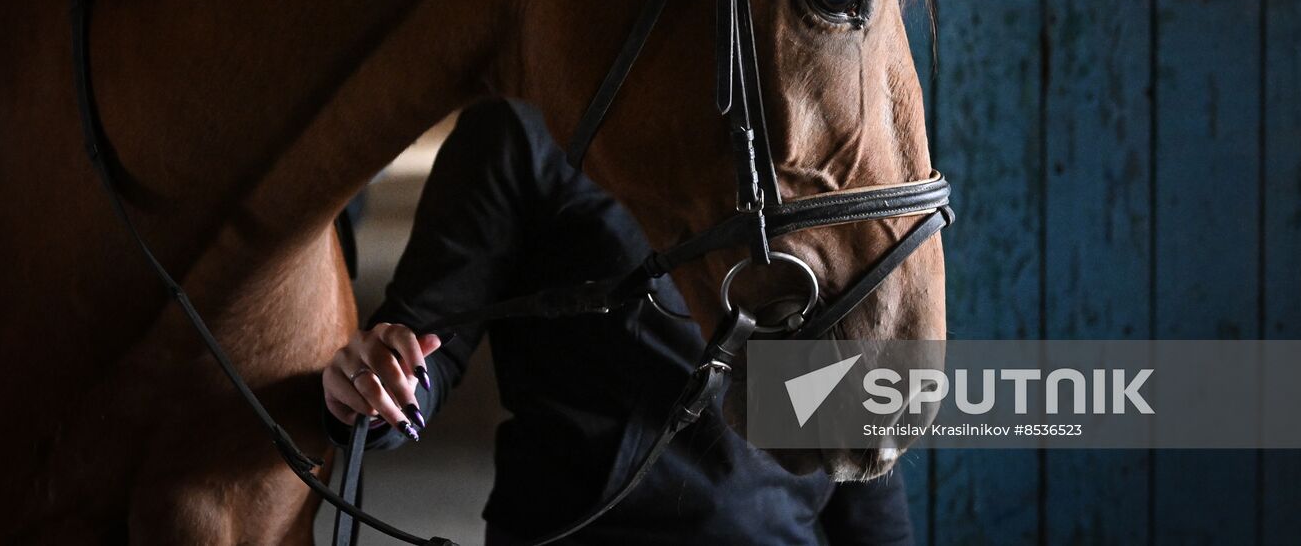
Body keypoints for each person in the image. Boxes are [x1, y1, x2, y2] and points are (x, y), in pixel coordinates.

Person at [321, 98, 913, 545]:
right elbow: (427, 347)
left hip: (774, 531)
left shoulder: (800, 132)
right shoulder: (521, 131)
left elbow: (847, 394)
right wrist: (376, 389)